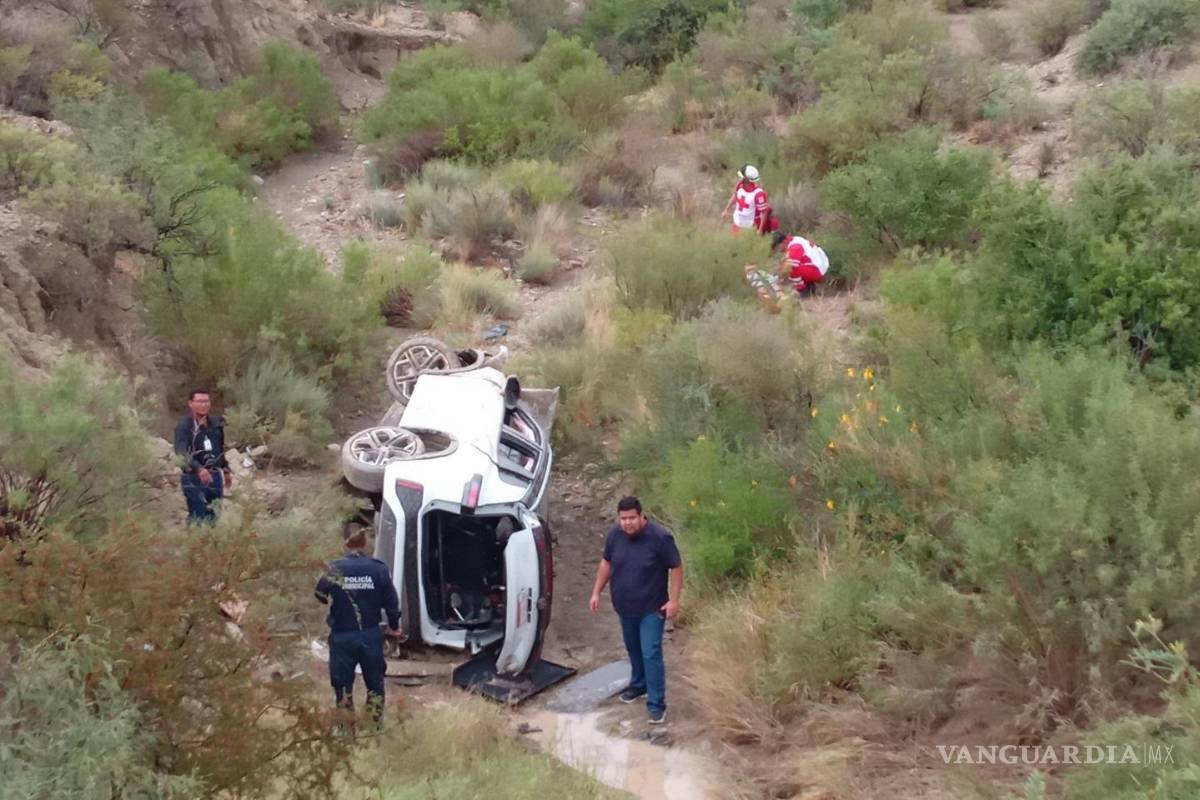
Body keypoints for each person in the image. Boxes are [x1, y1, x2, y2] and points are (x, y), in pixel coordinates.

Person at [589, 496, 683, 725]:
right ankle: (638, 685)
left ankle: (656, 704)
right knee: (633, 649)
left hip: (652, 608)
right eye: (623, 519)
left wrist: (674, 600)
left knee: (651, 653)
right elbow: (606, 563)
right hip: (625, 606)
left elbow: (676, 566)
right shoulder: (614, 535)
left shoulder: (660, 538)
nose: (628, 523)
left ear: (642, 516)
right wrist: (596, 592)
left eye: (632, 518)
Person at [315, 521, 403, 725]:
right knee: (375, 685)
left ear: (345, 543)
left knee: (343, 687)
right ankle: (373, 728)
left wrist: (334, 598)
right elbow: (391, 601)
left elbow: (319, 593)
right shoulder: (378, 569)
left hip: (342, 636)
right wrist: (394, 625)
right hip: (370, 635)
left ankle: (347, 733)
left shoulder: (334, 568)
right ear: (365, 543)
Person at [173, 389, 230, 524]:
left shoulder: (216, 424)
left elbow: (219, 448)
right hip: (193, 477)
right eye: (199, 401)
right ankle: (195, 543)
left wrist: (226, 470)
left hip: (214, 475)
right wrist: (198, 468)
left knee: (214, 515)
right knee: (197, 515)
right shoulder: (184, 425)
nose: (203, 405)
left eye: (206, 401)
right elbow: (181, 451)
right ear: (190, 403)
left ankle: (210, 543)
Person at [721, 164, 776, 236]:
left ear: (747, 179)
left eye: (742, 176)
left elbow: (763, 212)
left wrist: (760, 229)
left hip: (751, 226)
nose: (740, 178)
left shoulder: (759, 194)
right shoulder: (739, 185)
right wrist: (726, 210)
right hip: (737, 222)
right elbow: (735, 196)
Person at [773, 230, 830, 295]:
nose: (776, 250)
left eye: (776, 247)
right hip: (819, 265)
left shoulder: (795, 246)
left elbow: (789, 267)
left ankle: (802, 290)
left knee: (790, 267)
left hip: (818, 269)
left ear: (783, 242)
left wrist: (776, 280)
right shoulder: (795, 240)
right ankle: (808, 285)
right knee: (787, 264)